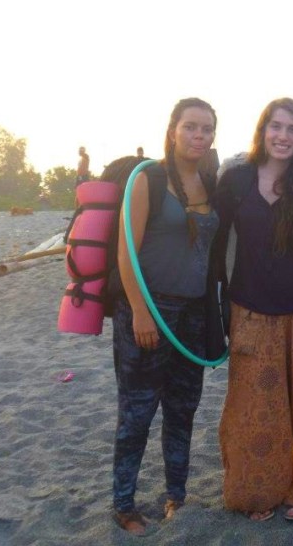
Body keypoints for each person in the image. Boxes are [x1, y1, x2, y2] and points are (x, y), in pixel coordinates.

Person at [216, 97, 293, 523]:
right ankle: (257, 493)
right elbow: (215, 244)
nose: (283, 136)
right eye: (276, 126)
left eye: (292, 129)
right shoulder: (236, 179)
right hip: (249, 309)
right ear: (263, 130)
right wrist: (215, 306)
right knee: (255, 406)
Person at [111, 97, 220, 535]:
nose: (199, 135)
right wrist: (139, 312)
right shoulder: (148, 179)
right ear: (173, 129)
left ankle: (176, 496)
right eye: (191, 126)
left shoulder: (209, 182)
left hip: (194, 314)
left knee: (182, 409)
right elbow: (126, 252)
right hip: (149, 311)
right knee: (137, 412)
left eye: (207, 128)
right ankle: (123, 504)